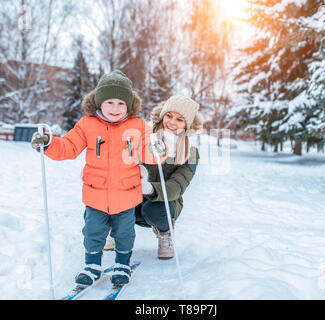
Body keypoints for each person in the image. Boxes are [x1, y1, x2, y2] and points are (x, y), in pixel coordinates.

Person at [31, 70, 167, 287]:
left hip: (126, 193)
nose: (115, 108)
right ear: (98, 102)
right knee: (93, 231)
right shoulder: (87, 125)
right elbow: (68, 147)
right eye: (109, 102)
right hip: (95, 193)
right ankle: (92, 265)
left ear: (129, 105)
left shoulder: (139, 126)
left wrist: (159, 148)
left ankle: (122, 263)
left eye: (121, 103)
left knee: (124, 232)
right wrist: (49, 144)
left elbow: (149, 152)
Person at [105, 95, 204, 259]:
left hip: (164, 203)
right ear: (162, 115)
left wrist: (150, 188)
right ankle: (116, 231)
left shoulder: (191, 152)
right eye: (169, 116)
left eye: (180, 120)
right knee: (112, 197)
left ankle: (165, 234)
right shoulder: (145, 137)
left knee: (155, 209)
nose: (172, 122)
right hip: (135, 198)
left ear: (188, 124)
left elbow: (178, 186)